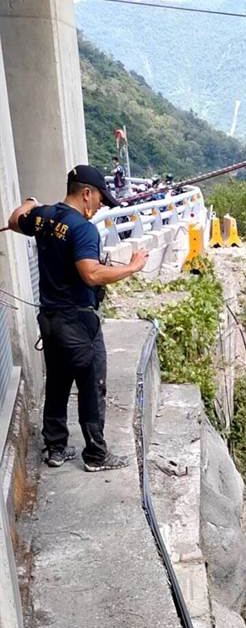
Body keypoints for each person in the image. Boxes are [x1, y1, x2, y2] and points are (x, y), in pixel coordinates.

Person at [9, 164, 147, 470]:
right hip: (78, 321)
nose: (100, 207)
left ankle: (55, 448)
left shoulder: (43, 217)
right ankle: (96, 454)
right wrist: (132, 267)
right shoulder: (83, 229)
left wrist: (31, 202)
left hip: (50, 319)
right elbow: (91, 273)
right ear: (86, 193)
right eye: (99, 199)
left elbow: (14, 219)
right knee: (92, 384)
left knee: (58, 381)